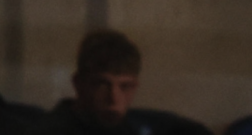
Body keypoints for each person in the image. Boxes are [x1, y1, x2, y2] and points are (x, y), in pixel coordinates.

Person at [32, 29, 210, 135]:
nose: (114, 98)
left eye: (125, 87)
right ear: (79, 84)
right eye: (102, 84)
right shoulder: (52, 130)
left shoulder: (126, 123)